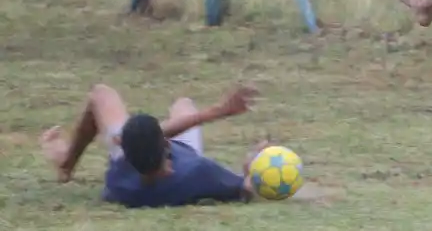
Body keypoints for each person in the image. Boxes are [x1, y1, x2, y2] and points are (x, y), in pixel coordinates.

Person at [40, 82, 268, 207]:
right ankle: (65, 162)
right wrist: (251, 167)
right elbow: (246, 189)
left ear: (123, 149)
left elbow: (146, 139)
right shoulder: (198, 172)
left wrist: (218, 111)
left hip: (143, 151)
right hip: (182, 152)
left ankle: (66, 165)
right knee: (184, 104)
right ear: (167, 145)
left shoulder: (119, 182)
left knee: (102, 94)